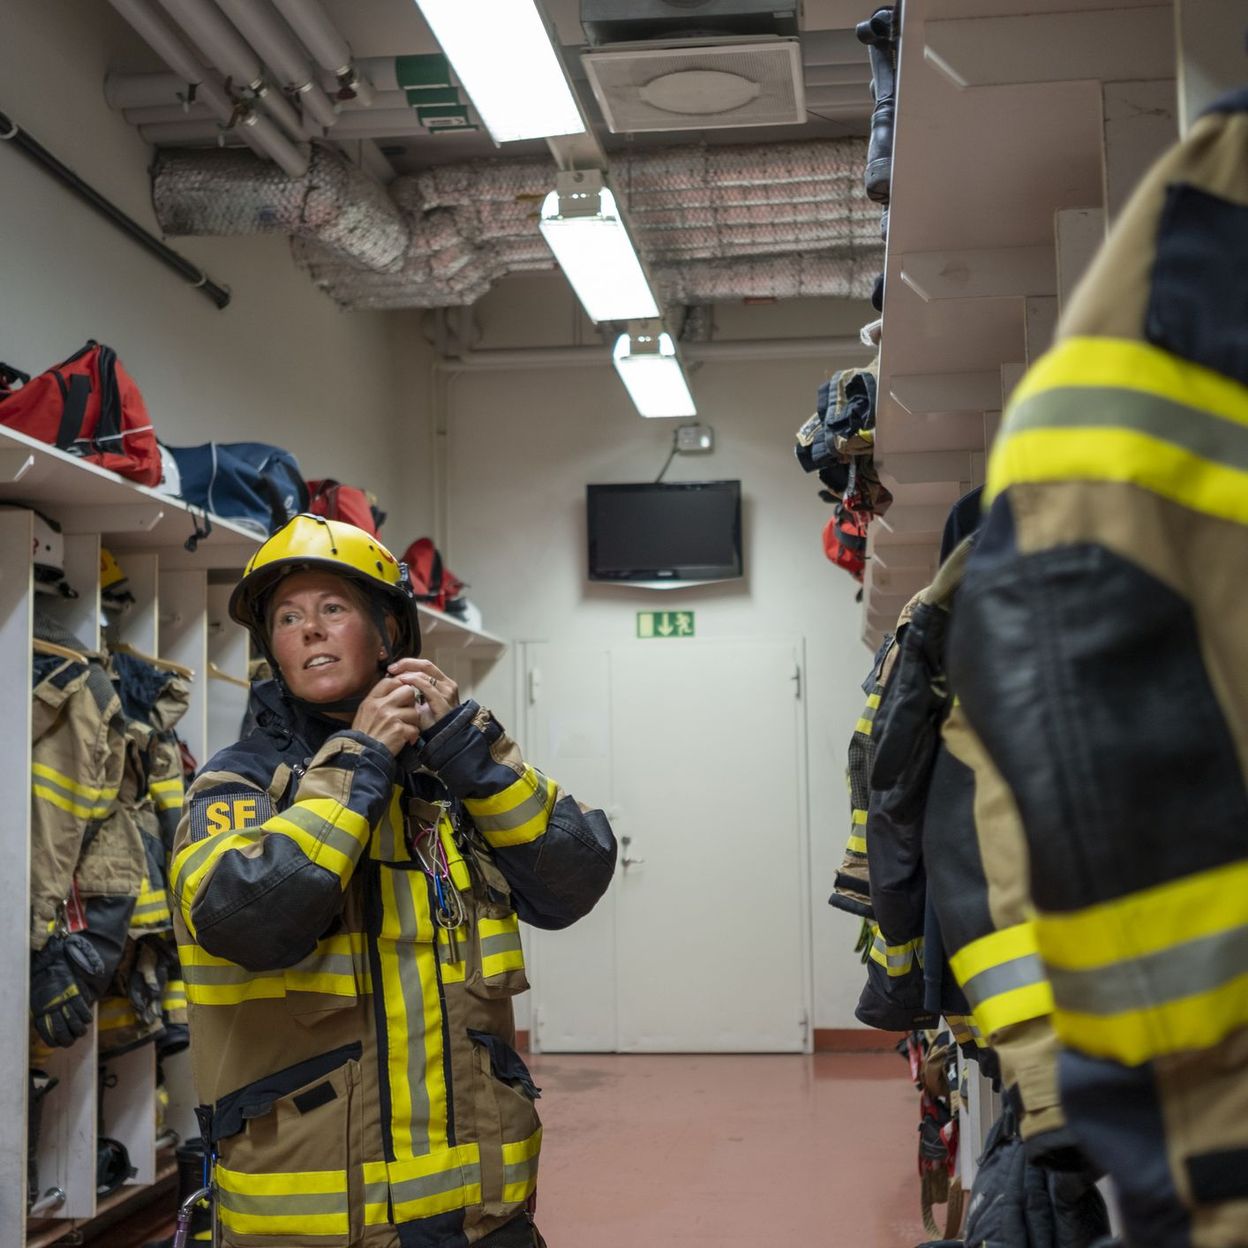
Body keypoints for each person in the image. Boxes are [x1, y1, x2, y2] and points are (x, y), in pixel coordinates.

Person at [169, 514, 617, 1248]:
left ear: (388, 637)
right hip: (317, 1226)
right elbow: (244, 919)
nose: (309, 630)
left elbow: (573, 880)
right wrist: (358, 763)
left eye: (332, 609)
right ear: (271, 651)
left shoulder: (453, 780)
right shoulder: (236, 784)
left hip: (483, 1217)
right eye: (287, 617)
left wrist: (471, 754)